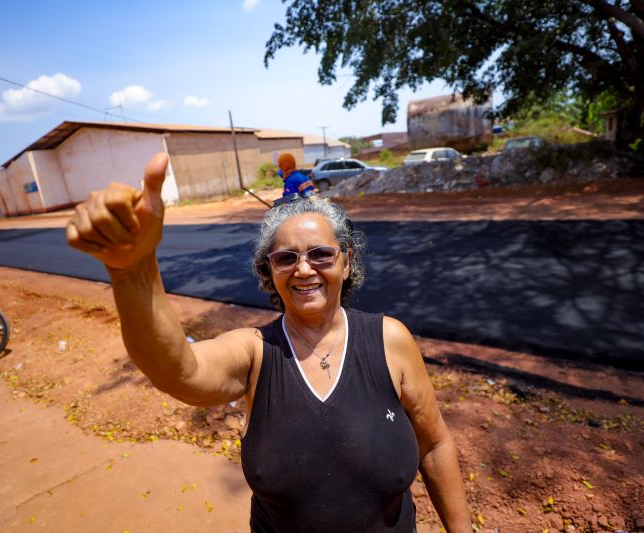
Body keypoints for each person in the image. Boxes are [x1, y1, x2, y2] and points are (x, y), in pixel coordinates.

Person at [66, 153, 471, 532]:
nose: (304, 269)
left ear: (346, 262)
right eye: (286, 258)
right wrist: (134, 272)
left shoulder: (389, 340)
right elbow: (178, 370)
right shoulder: (256, 352)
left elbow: (434, 445)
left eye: (321, 255)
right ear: (270, 271)